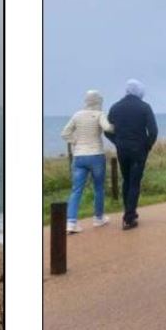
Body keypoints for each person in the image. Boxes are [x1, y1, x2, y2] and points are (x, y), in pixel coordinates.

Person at [104, 79, 158, 230]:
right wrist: (147, 146)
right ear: (139, 91)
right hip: (138, 149)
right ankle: (129, 217)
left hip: (122, 148)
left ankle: (130, 212)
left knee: (126, 180)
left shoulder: (115, 107)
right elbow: (153, 131)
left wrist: (117, 141)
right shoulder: (144, 107)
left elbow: (107, 130)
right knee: (135, 182)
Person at [60, 90, 114, 233]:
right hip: (96, 155)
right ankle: (98, 218)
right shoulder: (99, 114)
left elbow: (65, 133)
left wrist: (75, 141)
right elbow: (108, 127)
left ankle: (71, 223)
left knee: (76, 190)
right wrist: (115, 127)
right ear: (98, 101)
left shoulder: (77, 115)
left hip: (79, 157)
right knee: (98, 188)